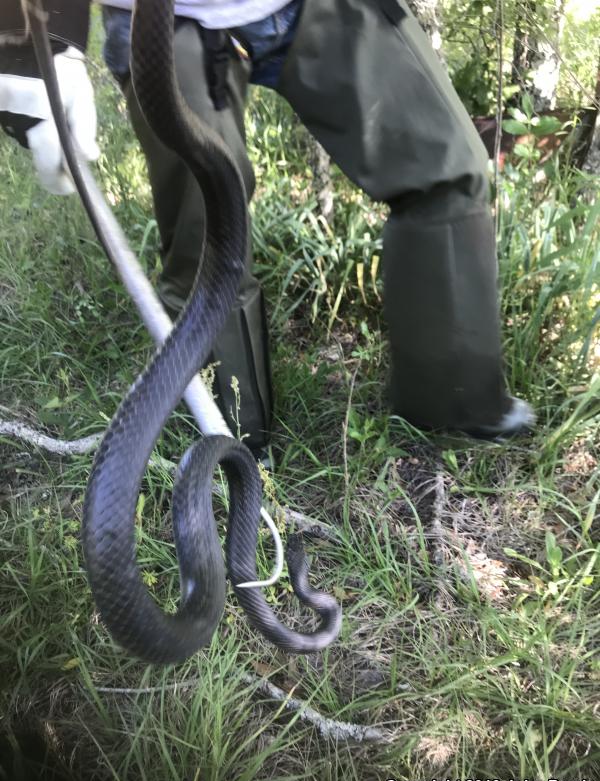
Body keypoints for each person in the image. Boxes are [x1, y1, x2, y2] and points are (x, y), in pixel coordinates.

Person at [0, 0, 535, 463]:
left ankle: (455, 403)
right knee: (208, 243)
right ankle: (231, 449)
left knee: (447, 171)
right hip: (165, 24)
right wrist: (34, 42)